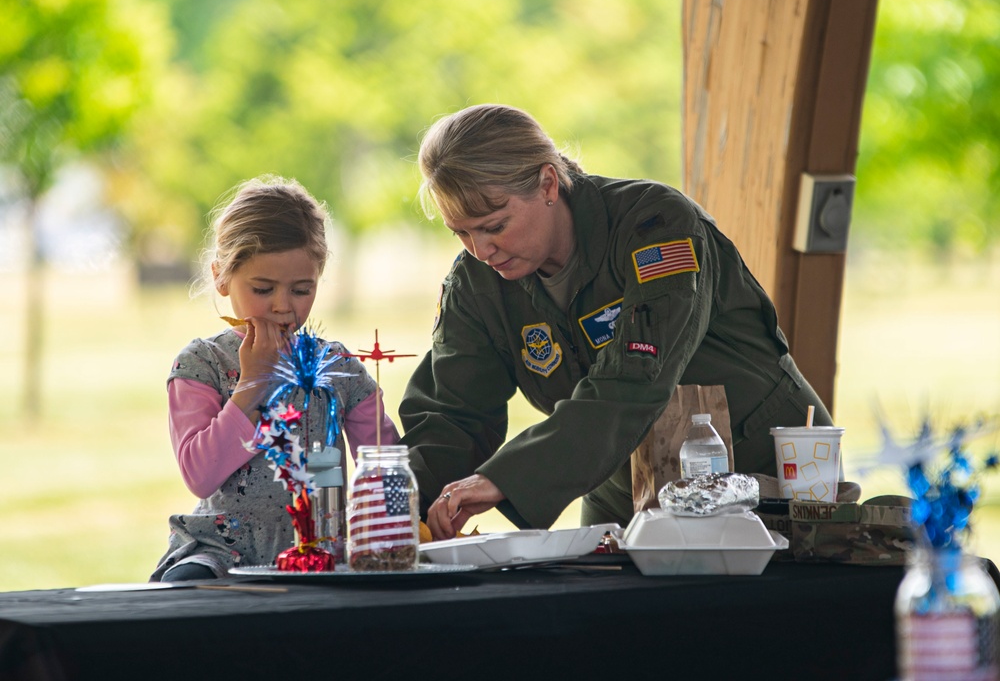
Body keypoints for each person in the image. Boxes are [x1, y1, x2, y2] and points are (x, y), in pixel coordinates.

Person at [398, 104, 834, 540]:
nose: (481, 250)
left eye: (495, 226)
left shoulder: (655, 226)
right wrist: (395, 504)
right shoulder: (476, 284)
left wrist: (506, 478)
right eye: (461, 232)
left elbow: (634, 380)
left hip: (761, 474)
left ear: (548, 183)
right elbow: (454, 415)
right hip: (622, 486)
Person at [150, 175, 399, 581]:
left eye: (302, 289)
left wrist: (396, 529)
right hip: (221, 550)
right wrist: (252, 383)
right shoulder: (202, 363)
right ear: (221, 276)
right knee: (183, 592)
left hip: (320, 551)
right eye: (263, 289)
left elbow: (385, 462)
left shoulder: (337, 367)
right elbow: (200, 475)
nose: (284, 306)